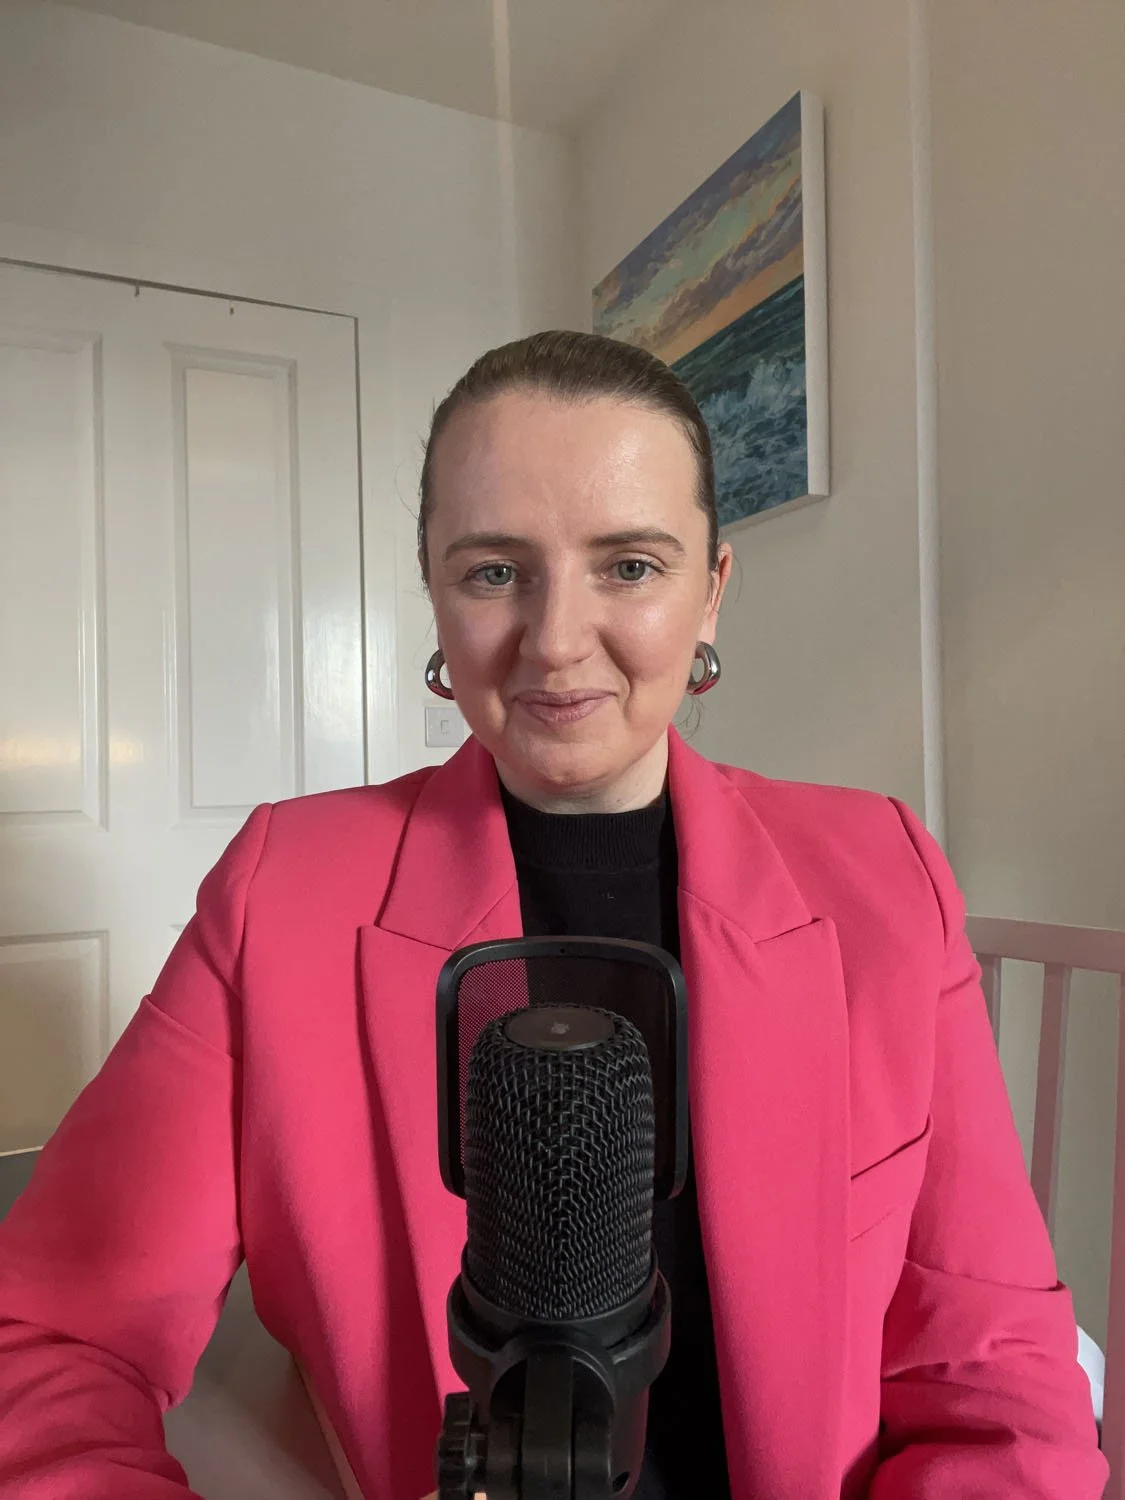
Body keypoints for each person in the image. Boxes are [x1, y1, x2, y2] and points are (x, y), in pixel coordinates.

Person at [0, 330, 1106, 1500]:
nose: (558, 640)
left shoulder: (880, 874)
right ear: (433, 589)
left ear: (712, 592)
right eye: (493, 572)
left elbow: (994, 1376)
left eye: (630, 566)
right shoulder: (284, 888)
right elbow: (52, 1333)